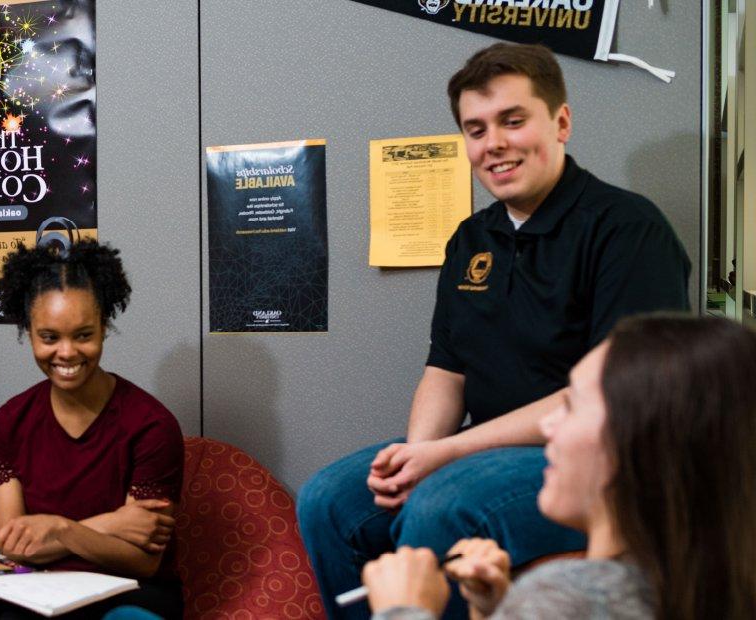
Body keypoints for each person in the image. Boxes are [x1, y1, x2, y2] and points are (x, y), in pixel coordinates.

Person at [296, 42, 691, 619]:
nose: (494, 145)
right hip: (477, 448)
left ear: (560, 122)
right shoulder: (470, 238)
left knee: (440, 506)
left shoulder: (627, 229)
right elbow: (445, 368)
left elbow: (612, 395)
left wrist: (444, 456)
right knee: (327, 499)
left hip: (592, 460)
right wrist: (420, 452)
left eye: (513, 120)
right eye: (476, 129)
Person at [360, 314, 756, 619]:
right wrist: (494, 608)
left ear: (638, 443)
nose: (547, 425)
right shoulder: (712, 586)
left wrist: (402, 610)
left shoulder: (566, 597)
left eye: (571, 406)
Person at [0, 239, 185, 619]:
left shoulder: (152, 426)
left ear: (104, 327)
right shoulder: (11, 422)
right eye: (49, 337)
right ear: (28, 330)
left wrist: (59, 530)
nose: (66, 353)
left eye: (83, 335)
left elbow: (142, 560)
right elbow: (14, 544)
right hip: (39, 582)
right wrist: (107, 525)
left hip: (129, 590)